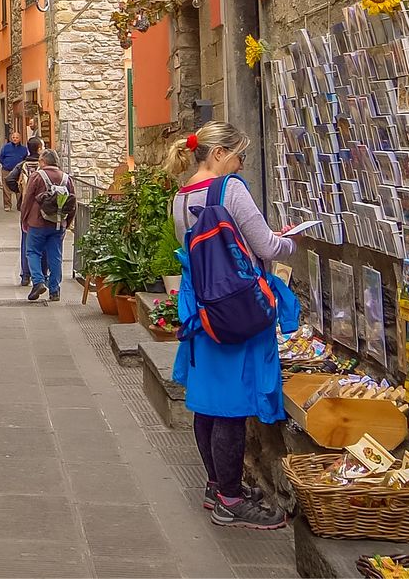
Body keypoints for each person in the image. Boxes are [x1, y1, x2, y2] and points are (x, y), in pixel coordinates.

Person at [165, 122, 297, 531]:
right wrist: (289, 240)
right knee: (232, 409)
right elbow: (266, 247)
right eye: (239, 155)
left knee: (208, 401)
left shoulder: (180, 196)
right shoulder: (230, 190)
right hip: (237, 307)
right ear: (219, 153)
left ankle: (216, 485)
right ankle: (230, 499)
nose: (241, 164)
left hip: (201, 307)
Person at [20, 148, 75, 302]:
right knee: (55, 256)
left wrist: (24, 219)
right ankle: (55, 290)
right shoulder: (66, 178)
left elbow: (28, 199)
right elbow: (73, 203)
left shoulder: (37, 176)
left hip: (37, 222)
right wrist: (67, 222)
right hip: (58, 223)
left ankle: (38, 281)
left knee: (32, 252)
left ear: (43, 161)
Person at [7, 138, 43, 285]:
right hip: (42, 206)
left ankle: (25, 275)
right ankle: (41, 275)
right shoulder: (43, 165)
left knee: (26, 240)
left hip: (26, 207)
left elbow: (9, 179)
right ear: (40, 148)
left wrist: (20, 193)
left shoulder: (22, 165)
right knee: (43, 242)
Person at [0, 131, 28, 209]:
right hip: (6, 169)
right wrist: (5, 164)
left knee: (19, 188)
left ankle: (20, 205)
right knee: (6, 188)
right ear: (11, 138)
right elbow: (1, 157)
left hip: (18, 171)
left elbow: (25, 159)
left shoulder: (24, 149)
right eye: (13, 137)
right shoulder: (6, 147)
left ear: (20, 138)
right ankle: (7, 205)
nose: (15, 139)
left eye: (17, 137)